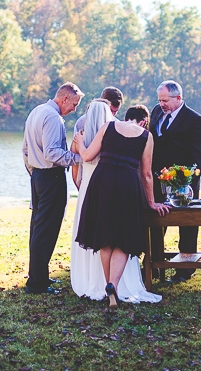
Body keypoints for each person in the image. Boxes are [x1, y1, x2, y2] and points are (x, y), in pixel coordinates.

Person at [73, 113, 170, 308]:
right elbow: (146, 174)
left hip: (104, 181)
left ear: (125, 118)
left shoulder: (108, 127)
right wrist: (151, 202)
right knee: (124, 239)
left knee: (105, 237)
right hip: (128, 184)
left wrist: (80, 142)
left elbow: (87, 156)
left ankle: (110, 287)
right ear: (143, 122)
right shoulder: (146, 136)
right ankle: (113, 286)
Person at [22, 82, 84, 294]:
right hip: (50, 177)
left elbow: (26, 150)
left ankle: (39, 276)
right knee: (46, 230)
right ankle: (37, 283)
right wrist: (81, 158)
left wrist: (35, 174)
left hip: (39, 176)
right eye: (74, 104)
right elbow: (52, 153)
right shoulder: (53, 117)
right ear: (64, 98)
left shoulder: (36, 111)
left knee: (38, 228)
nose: (74, 109)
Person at [148, 81, 201, 283]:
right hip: (156, 181)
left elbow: (199, 159)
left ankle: (184, 270)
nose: (161, 104)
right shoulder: (156, 112)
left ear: (178, 98)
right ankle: (154, 266)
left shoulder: (195, 120)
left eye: (165, 100)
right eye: (159, 100)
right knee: (155, 223)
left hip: (183, 184)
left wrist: (183, 181)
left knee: (187, 226)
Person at [72, 87, 124, 188]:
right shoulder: (81, 123)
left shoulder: (117, 125)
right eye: (111, 111)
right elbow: (76, 159)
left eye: (115, 112)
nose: (112, 115)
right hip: (86, 177)